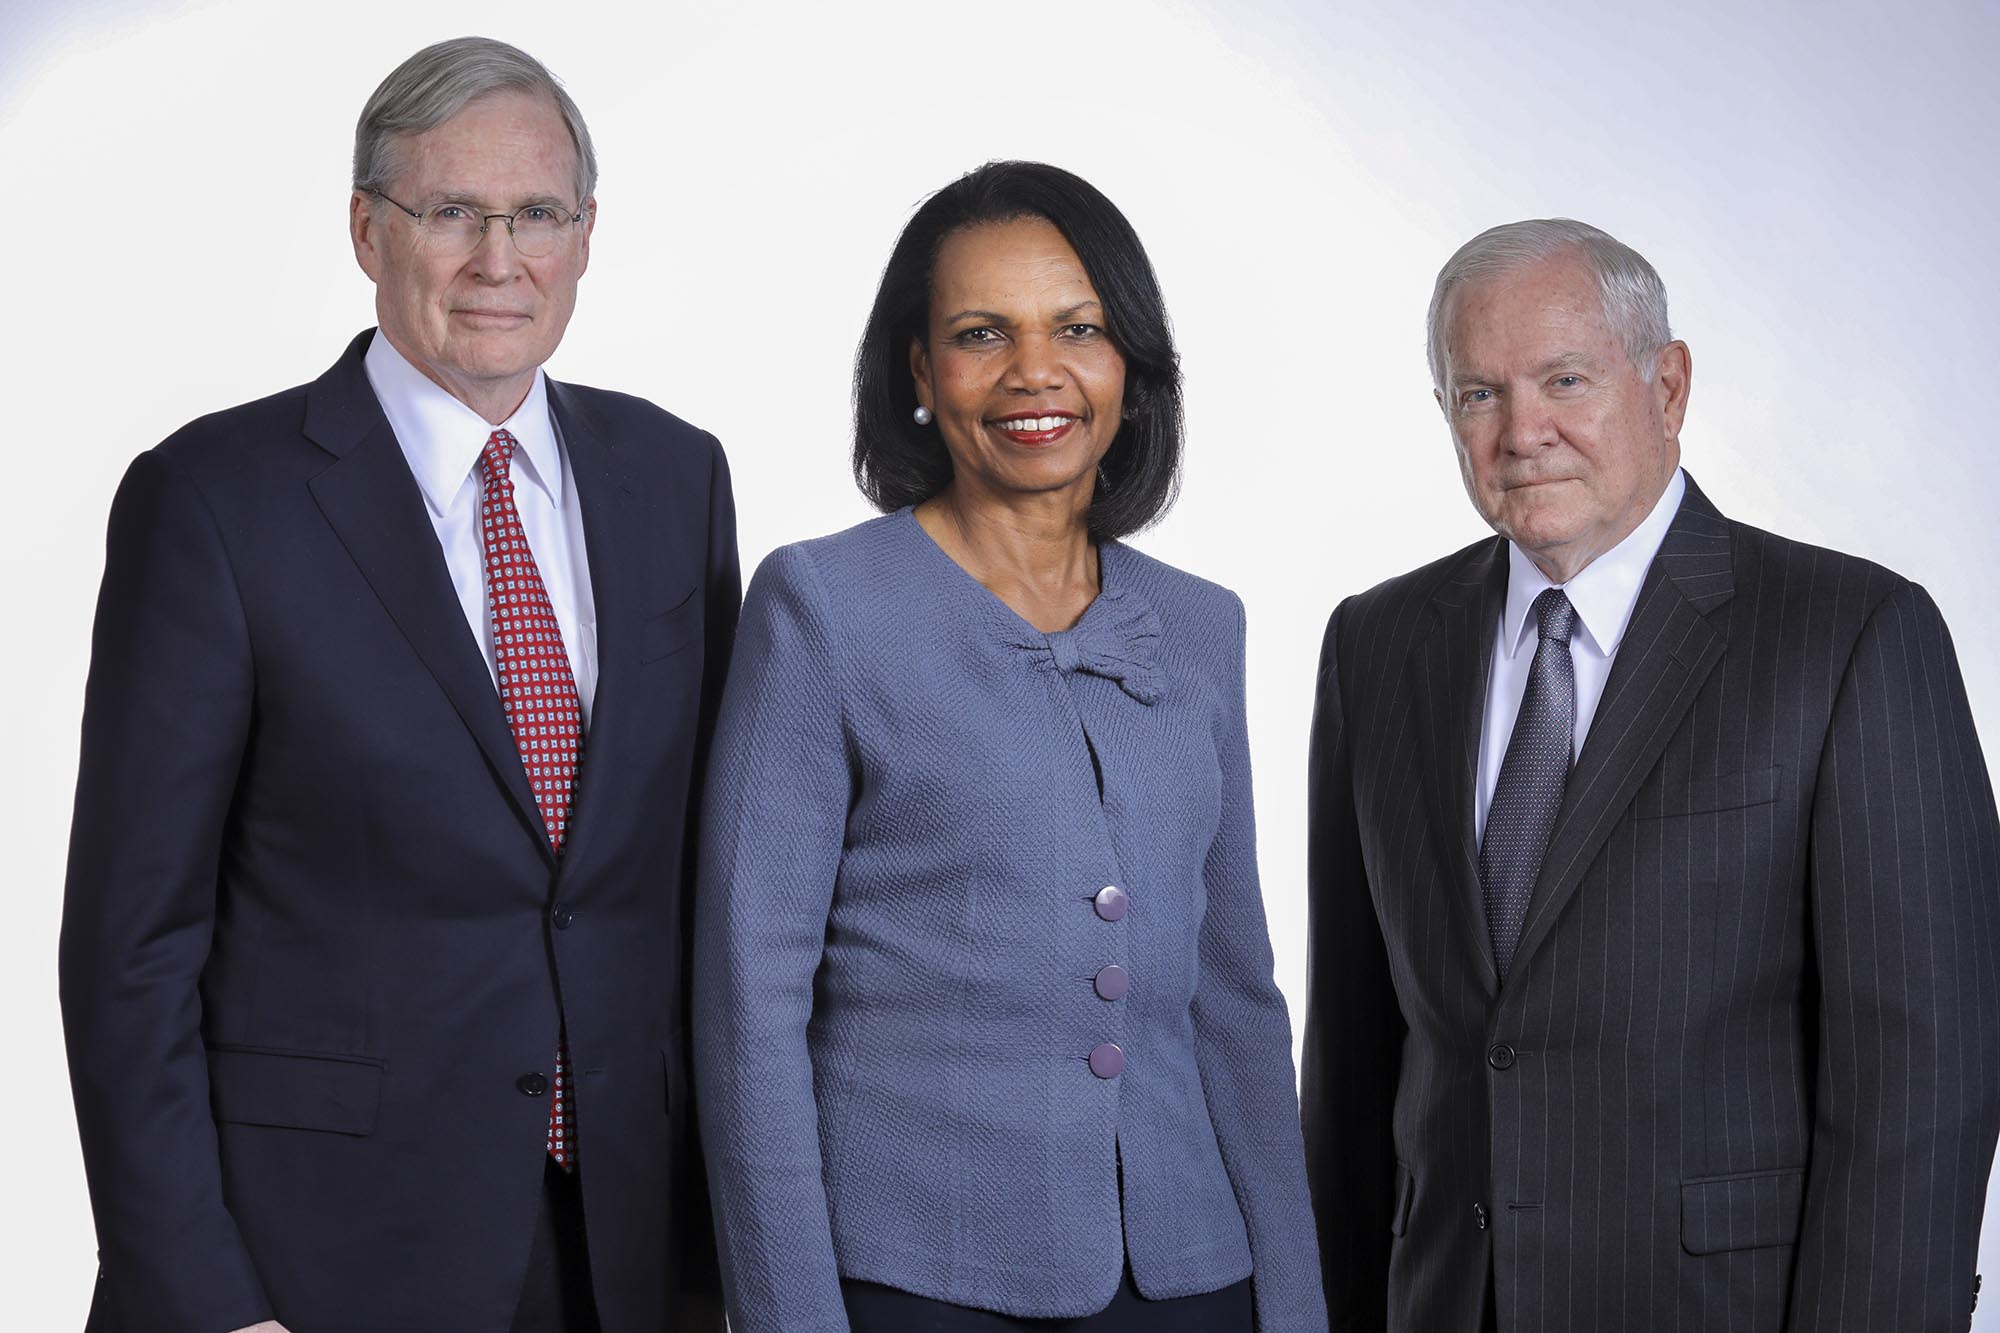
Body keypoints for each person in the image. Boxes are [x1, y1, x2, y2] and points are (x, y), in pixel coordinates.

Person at [59, 36, 736, 1333]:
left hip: (622, 1251)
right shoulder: (214, 500)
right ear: (368, 229)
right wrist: (207, 1304)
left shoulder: (675, 477)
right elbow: (128, 951)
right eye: (451, 213)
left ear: (586, 234)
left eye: (536, 213)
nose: (500, 259)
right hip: (313, 1262)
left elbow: (686, 886)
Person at [1301, 217, 2000, 1332]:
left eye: (1562, 379)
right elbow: (1349, 1057)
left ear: (1663, 386)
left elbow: (1922, 1087)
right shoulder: (1378, 645)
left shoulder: (1850, 634)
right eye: (1476, 395)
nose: (1522, 432)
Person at [692, 160, 1325, 1332]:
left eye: (1076, 329)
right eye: (982, 334)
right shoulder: (821, 606)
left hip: (1197, 1279)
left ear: (1128, 366)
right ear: (920, 374)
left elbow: (1236, 998)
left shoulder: (1200, 625)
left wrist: (1293, 1303)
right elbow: (749, 1013)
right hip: (924, 1284)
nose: (1035, 372)